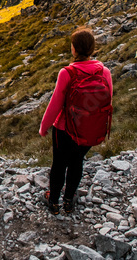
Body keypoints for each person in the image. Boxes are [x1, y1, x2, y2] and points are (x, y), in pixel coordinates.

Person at [39, 26, 113, 214]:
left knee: (59, 165)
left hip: (65, 129)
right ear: (92, 48)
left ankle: (54, 202)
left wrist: (44, 126)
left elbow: (55, 104)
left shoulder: (68, 73)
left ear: (74, 48)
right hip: (88, 128)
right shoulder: (104, 72)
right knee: (77, 162)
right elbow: (108, 100)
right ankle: (69, 201)